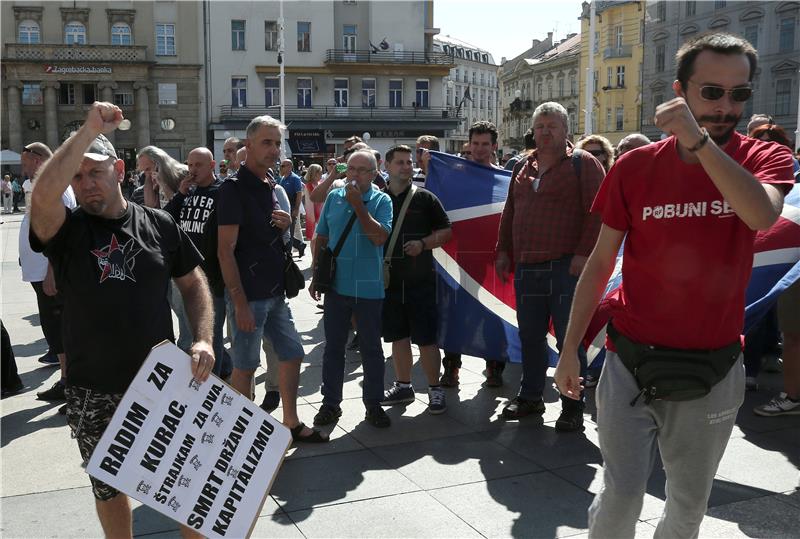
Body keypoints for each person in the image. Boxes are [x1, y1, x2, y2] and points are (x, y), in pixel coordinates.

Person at [554, 33, 794, 537]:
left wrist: (700, 144)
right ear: (680, 91)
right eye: (712, 92)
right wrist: (570, 349)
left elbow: (759, 214)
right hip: (630, 360)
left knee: (687, 504)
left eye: (739, 94)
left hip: (715, 363)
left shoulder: (764, 158)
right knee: (620, 494)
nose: (726, 107)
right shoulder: (635, 166)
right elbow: (600, 263)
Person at [29, 102, 215, 539]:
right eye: (77, 176)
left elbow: (193, 283)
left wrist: (203, 339)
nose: (86, 183)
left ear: (119, 168)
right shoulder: (67, 231)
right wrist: (87, 131)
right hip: (93, 388)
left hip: (162, 383)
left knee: (190, 483)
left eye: (94, 171)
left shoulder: (159, 224)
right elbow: (41, 197)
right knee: (108, 489)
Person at [217, 115, 327, 443]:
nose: (274, 149)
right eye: (267, 142)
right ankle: (238, 436)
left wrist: (280, 225)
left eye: (277, 143)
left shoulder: (268, 184)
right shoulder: (233, 189)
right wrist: (239, 303)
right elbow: (226, 251)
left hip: (274, 290)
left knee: (292, 353)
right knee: (246, 365)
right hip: (248, 295)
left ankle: (290, 423)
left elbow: (262, 239)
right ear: (247, 146)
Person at [495, 103, 604, 430]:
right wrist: (503, 251)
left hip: (565, 267)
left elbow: (599, 213)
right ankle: (530, 397)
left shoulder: (583, 164)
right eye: (540, 125)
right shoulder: (521, 167)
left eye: (552, 125)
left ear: (565, 129)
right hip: (528, 267)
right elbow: (510, 211)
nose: (545, 131)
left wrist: (584, 254)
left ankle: (572, 404)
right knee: (529, 336)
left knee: (570, 340)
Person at [310, 149, 393, 428]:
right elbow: (322, 235)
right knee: (333, 348)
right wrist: (316, 275)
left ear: (374, 173)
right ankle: (330, 404)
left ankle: (373, 404)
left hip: (368, 286)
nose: (354, 175)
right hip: (336, 286)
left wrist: (359, 206)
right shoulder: (334, 197)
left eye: (361, 170)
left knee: (371, 349)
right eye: (351, 169)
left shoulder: (381, 200)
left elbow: (379, 237)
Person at [379, 145, 453, 414]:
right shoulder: (377, 199)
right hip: (389, 282)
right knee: (397, 337)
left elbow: (446, 231)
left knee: (426, 338)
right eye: (399, 162)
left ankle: (435, 389)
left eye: (409, 162)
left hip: (421, 281)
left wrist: (423, 243)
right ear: (386, 166)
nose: (406, 167)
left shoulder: (425, 198)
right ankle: (403, 386)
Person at [441, 121, 507, 388]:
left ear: (494, 146)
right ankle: (452, 368)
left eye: (485, 144)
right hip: (459, 257)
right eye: (475, 144)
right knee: (454, 313)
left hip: (491, 259)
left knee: (493, 314)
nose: (480, 149)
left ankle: (494, 367)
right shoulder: (453, 175)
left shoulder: (505, 179)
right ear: (469, 145)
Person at [162, 147, 232, 380]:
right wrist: (180, 194)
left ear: (212, 165)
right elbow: (165, 221)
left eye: (198, 165)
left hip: (212, 276)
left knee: (212, 337)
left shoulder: (223, 191)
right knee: (190, 334)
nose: (192, 170)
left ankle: (216, 382)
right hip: (187, 275)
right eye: (190, 165)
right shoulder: (186, 193)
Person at [18, 141, 78, 405]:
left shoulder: (57, 187)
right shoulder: (42, 186)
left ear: (39, 159)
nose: (23, 168)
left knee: (60, 328)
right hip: (39, 270)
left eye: (25, 162)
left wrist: (52, 269)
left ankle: (69, 382)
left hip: (48, 273)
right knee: (53, 329)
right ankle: (67, 380)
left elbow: (64, 232)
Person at [278, 159, 306, 257]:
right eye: (281, 166)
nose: (280, 168)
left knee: (289, 231)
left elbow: (299, 194)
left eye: (283, 166)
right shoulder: (282, 178)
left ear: (289, 166)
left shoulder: (295, 178)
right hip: (284, 208)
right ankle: (300, 245)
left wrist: (296, 209)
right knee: (285, 231)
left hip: (292, 207)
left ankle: (288, 254)